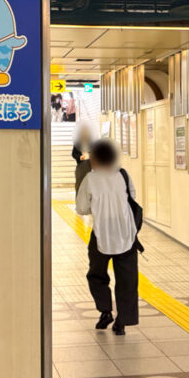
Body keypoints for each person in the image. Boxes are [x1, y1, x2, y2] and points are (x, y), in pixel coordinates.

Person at [75, 139, 139, 335]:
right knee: (127, 280)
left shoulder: (90, 179)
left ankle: (105, 311)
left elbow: (81, 208)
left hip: (101, 234)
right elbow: (133, 198)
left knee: (96, 275)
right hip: (126, 234)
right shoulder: (123, 174)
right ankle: (122, 320)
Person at [72, 124, 93, 193]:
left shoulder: (92, 142)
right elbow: (74, 154)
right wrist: (79, 157)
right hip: (81, 166)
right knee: (80, 186)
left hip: (91, 166)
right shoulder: (77, 143)